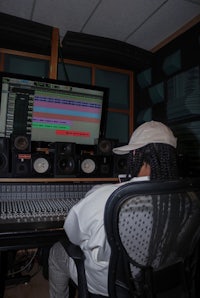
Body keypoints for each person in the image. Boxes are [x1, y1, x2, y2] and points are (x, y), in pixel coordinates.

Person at [48, 120, 178, 297]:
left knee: (57, 251)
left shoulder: (105, 196)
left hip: (112, 285)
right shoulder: (189, 198)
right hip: (163, 280)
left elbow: (73, 235)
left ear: (134, 153)